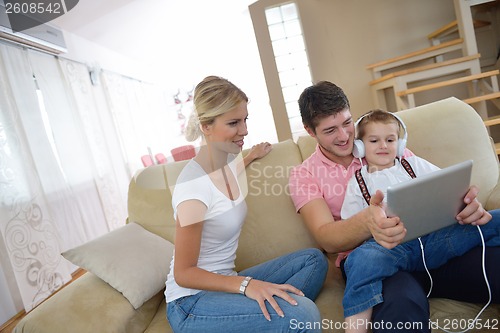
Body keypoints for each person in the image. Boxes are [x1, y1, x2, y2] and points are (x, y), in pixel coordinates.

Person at [289, 80, 500, 333]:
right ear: (310, 131)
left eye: (347, 123)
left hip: (430, 247)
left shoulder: (381, 142)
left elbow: (433, 187)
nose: (344, 136)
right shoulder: (304, 175)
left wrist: (464, 202)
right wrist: (368, 221)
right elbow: (327, 239)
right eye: (330, 130)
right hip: (379, 266)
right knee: (402, 312)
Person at [165, 75, 328, 333]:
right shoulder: (192, 189)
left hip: (226, 281)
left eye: (244, 120)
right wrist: (246, 285)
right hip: (192, 302)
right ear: (206, 126)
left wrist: (251, 156)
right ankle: (288, 317)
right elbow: (184, 273)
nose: (244, 130)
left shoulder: (224, 162)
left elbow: (223, 179)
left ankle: (271, 319)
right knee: (304, 314)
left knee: (313, 260)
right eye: (233, 123)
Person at [339, 109, 500, 332]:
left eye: (390, 139)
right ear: (361, 147)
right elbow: (352, 226)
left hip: (435, 241)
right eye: (374, 140)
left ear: (400, 143)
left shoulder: (413, 164)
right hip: (392, 250)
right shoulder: (357, 182)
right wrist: (373, 222)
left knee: (497, 218)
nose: (383, 146)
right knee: (362, 258)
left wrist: (465, 201)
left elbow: (448, 188)